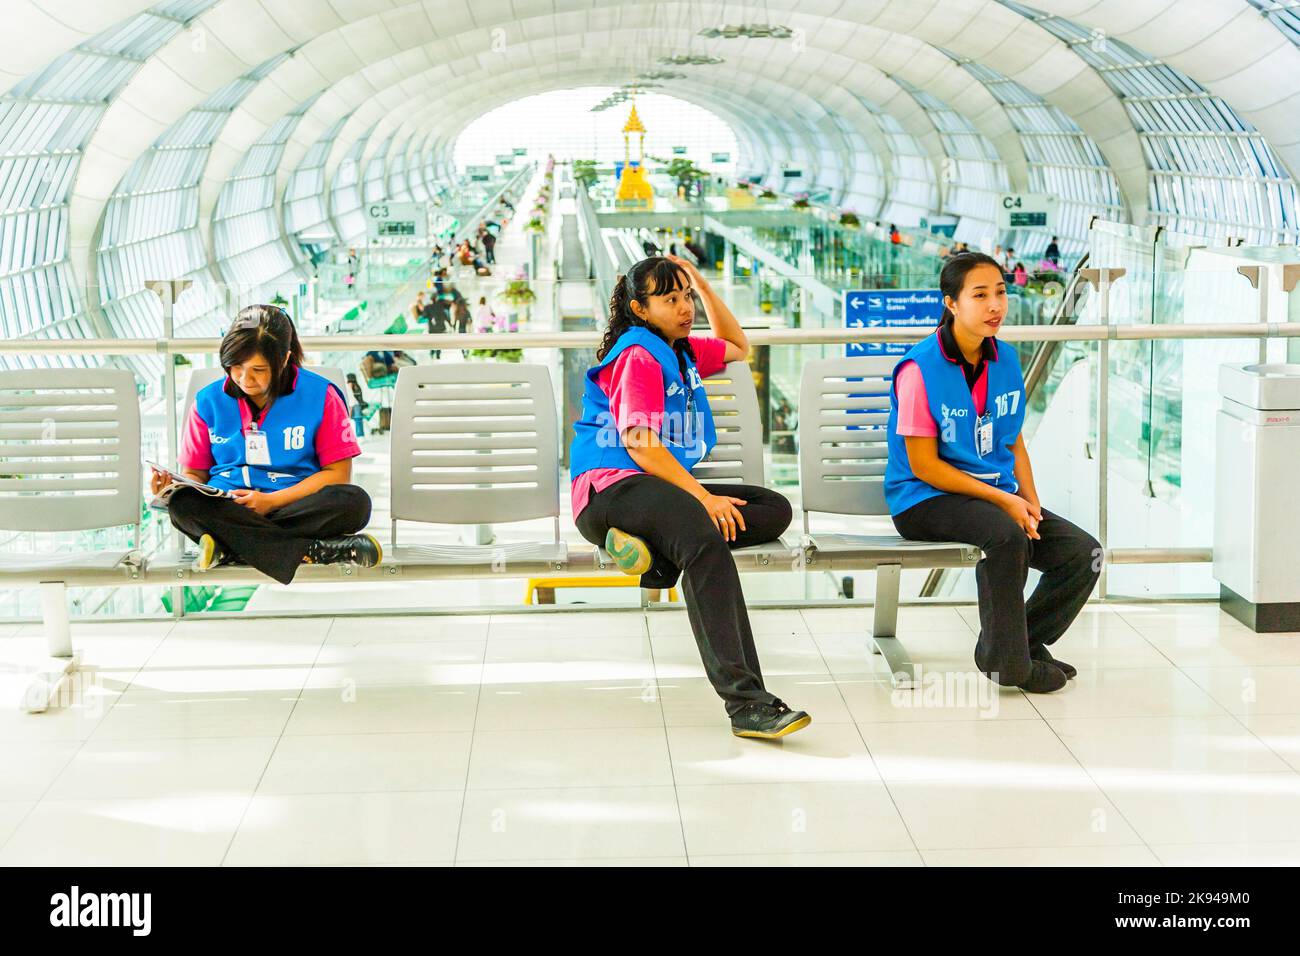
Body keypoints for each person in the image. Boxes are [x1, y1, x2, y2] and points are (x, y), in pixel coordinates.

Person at [569, 256, 811, 739]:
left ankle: (653, 554)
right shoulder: (638, 355)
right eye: (670, 298)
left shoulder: (681, 351)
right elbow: (638, 442)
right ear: (640, 309)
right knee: (704, 537)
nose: (685, 307)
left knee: (771, 510)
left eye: (686, 297)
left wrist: (700, 281)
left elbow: (739, 346)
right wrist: (702, 497)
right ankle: (747, 704)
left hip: (653, 492)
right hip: (610, 488)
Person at [885, 253, 1100, 694]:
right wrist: (1005, 500)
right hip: (923, 499)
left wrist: (1030, 498)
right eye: (979, 295)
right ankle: (1010, 664)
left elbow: (1013, 441)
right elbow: (924, 465)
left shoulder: (1004, 360)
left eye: (1000, 292)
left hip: (992, 496)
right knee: (1006, 535)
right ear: (951, 303)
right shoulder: (919, 369)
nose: (994, 305)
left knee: (1081, 553)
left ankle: (1017, 642)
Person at [150, 305, 381, 584]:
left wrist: (270, 501)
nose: (245, 379)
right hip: (227, 506)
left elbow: (337, 474)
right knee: (183, 504)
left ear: (284, 359)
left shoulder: (321, 396)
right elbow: (195, 474)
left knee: (353, 502)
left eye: (258, 370)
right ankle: (309, 550)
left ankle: (233, 546)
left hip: (292, 503)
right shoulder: (207, 402)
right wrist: (172, 487)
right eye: (236, 367)